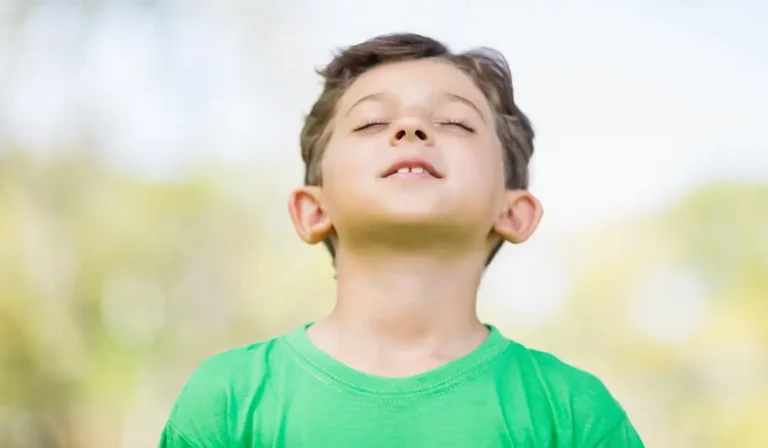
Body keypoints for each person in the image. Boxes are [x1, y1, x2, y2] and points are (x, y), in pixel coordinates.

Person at [159, 33, 644, 447]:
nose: (410, 129)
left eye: (455, 123)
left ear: (513, 212)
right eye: (371, 123)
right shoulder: (227, 400)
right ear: (313, 210)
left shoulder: (574, 413)